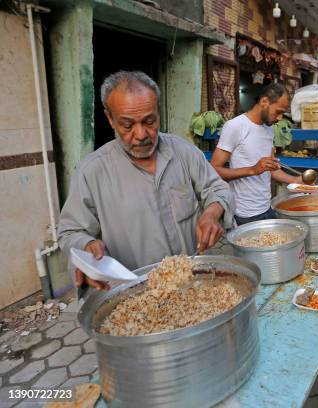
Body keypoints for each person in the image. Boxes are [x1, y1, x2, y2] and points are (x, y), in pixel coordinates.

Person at [58, 71, 233, 292]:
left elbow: (217, 188)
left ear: (158, 113)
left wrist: (211, 213)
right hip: (135, 296)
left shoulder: (183, 152)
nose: (141, 134)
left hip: (191, 284)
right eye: (127, 125)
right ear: (110, 119)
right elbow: (70, 232)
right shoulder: (91, 172)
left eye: (149, 121)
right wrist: (86, 247)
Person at [211, 83, 303, 225]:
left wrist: (296, 180)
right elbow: (214, 170)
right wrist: (253, 170)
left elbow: (272, 170)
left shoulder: (269, 129)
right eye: (278, 112)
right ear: (264, 101)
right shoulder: (235, 126)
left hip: (267, 207)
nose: (279, 118)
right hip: (245, 214)